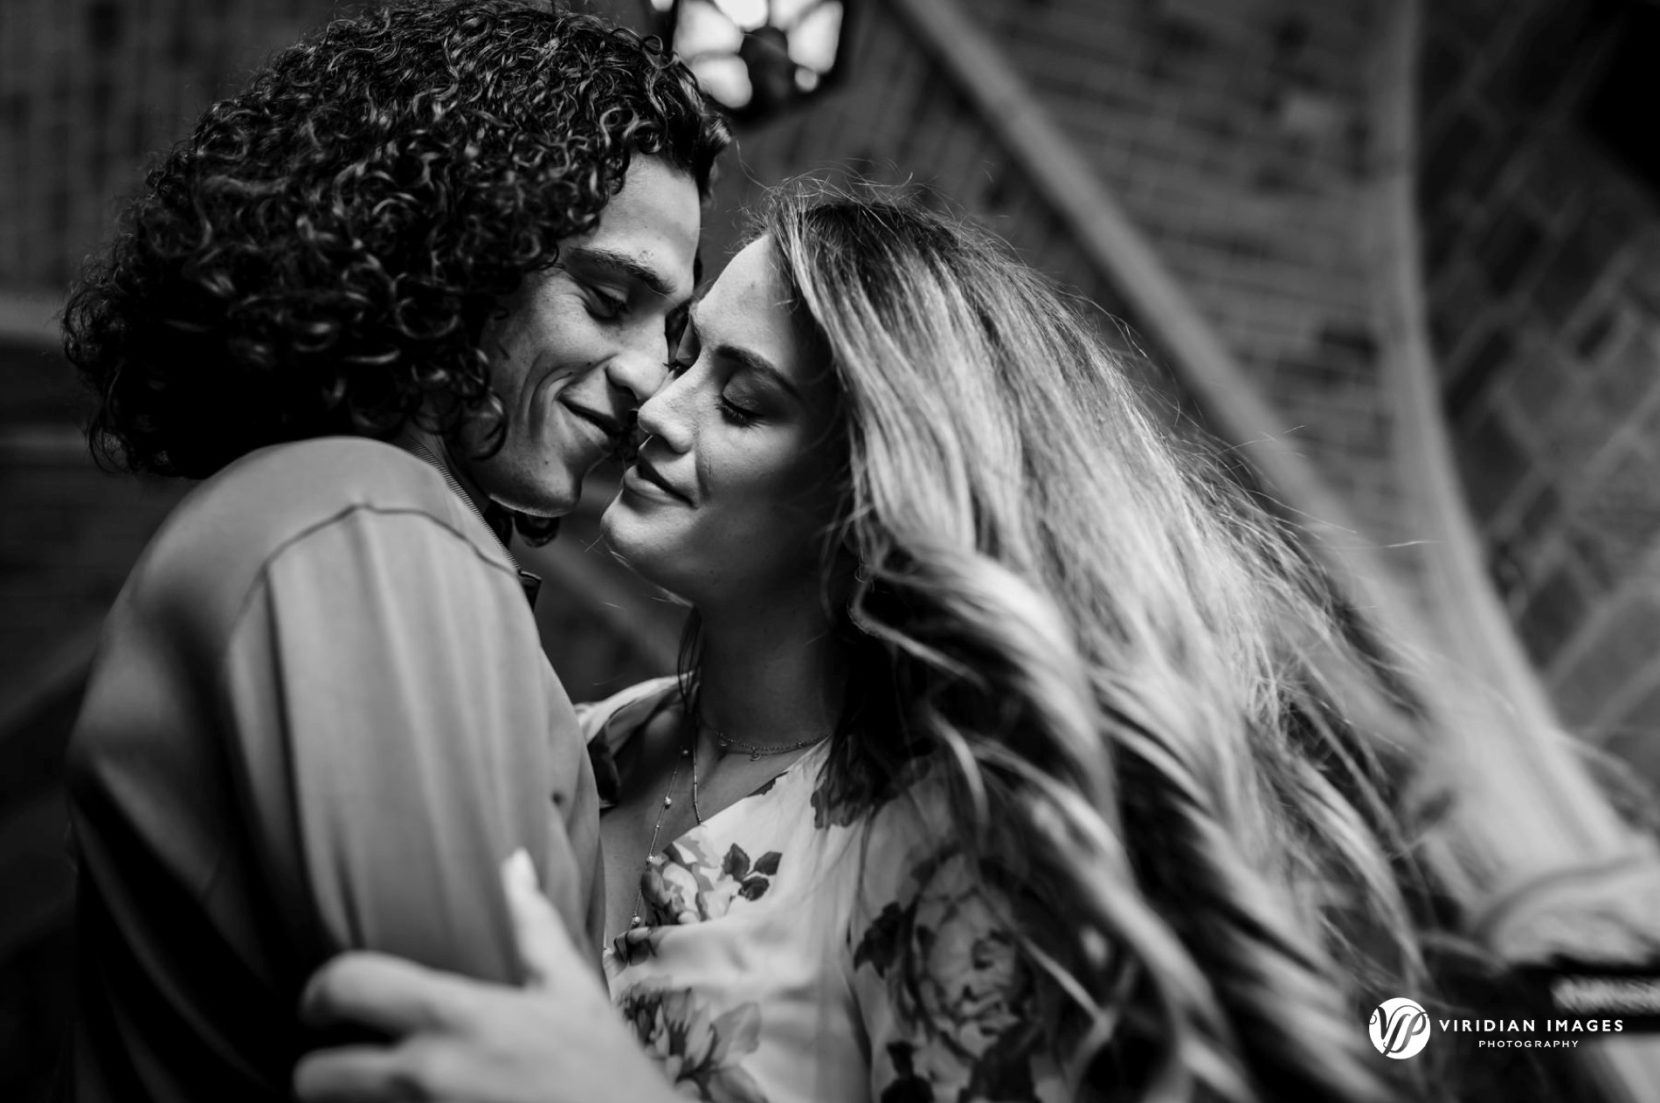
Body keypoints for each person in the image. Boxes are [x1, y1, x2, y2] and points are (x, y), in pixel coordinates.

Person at [295, 186, 1467, 1103]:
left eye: (741, 400)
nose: (657, 406)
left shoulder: (948, 844)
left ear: (869, 486)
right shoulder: (582, 740)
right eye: (687, 354)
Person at [56, 4, 728, 1100]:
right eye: (608, 298)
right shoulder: (369, 518)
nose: (650, 375)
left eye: (674, 330)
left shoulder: (337, 518)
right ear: (456, 249)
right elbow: (482, 1060)